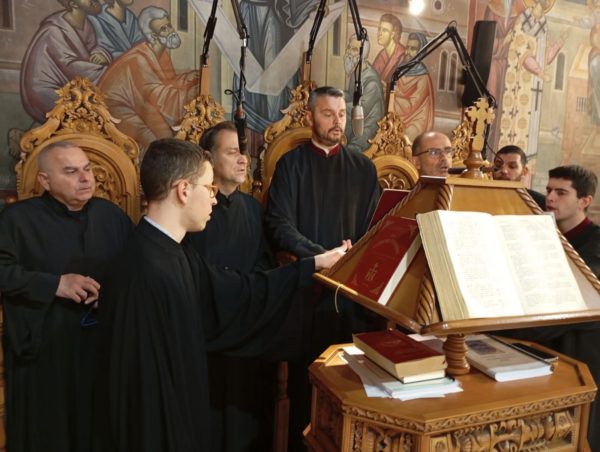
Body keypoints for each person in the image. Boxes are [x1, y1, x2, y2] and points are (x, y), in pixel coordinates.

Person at [93, 137, 347, 452]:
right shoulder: (144, 270)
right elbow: (142, 397)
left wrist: (312, 265)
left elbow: (237, 292)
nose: (214, 200)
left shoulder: (172, 253)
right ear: (183, 190)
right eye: (209, 188)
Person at [265, 86, 381, 449]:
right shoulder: (291, 165)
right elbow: (278, 224)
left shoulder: (363, 169)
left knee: (351, 388)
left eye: (341, 114)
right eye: (328, 114)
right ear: (310, 117)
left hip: (352, 296)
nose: (337, 122)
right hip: (307, 294)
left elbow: (377, 227)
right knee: (308, 389)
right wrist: (322, 255)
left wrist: (353, 256)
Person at [0, 142, 133, 452]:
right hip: (45, 353)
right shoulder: (17, 219)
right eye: (71, 172)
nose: (85, 178)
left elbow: (136, 267)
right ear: (44, 180)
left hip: (102, 348)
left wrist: (114, 294)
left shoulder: (111, 215)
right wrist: (54, 285)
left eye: (87, 169)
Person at [182, 122, 274, 451]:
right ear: (208, 158)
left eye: (243, 152)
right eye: (233, 152)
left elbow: (265, 261)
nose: (243, 159)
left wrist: (248, 291)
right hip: (205, 334)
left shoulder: (253, 208)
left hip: (246, 331)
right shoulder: (192, 211)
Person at [508, 164, 600, 449]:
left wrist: (508, 331)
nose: (550, 198)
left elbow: (574, 305)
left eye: (561, 192)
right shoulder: (545, 234)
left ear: (584, 201)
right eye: (548, 190)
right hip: (543, 346)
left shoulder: (596, 245)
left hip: (580, 353)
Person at [98, 6, 198, 151]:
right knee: (154, 140)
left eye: (169, 26)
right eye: (163, 29)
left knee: (165, 137)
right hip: (116, 108)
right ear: (153, 35)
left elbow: (168, 83)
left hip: (139, 103)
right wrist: (189, 94)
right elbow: (156, 94)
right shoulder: (139, 59)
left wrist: (188, 78)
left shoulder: (161, 54)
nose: (171, 32)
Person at [20, 0, 111, 123]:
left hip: (71, 85)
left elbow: (91, 50)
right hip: (47, 93)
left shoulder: (86, 25)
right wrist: (107, 72)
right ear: (73, 4)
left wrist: (101, 54)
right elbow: (69, 66)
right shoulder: (53, 30)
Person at [343, 34, 385, 153]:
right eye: (349, 47)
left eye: (354, 49)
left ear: (363, 55)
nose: (349, 53)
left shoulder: (372, 82)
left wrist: (337, 107)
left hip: (368, 126)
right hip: (356, 121)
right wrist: (337, 96)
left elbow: (361, 108)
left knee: (350, 151)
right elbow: (352, 96)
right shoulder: (356, 72)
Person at [393, 32, 435, 141]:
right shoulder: (400, 70)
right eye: (407, 47)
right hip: (398, 117)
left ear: (421, 52)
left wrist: (393, 94)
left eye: (413, 49)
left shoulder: (423, 77)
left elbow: (410, 107)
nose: (407, 52)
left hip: (416, 121)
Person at [492, 145, 545, 209]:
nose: (504, 171)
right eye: (498, 165)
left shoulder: (541, 203)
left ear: (524, 171)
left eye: (512, 166)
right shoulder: (483, 196)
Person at [372, 13, 405, 86]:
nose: (379, 33)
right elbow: (372, 77)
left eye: (384, 30)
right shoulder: (381, 55)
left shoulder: (403, 56)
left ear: (393, 34)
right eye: (379, 29)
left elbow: (403, 86)